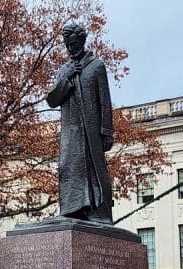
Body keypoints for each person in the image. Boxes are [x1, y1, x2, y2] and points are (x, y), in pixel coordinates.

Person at [46, 23, 115, 225]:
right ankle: (72, 209)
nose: (70, 49)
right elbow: (52, 99)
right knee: (68, 167)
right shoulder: (64, 70)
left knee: (94, 169)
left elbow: (105, 100)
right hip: (71, 131)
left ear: (82, 42)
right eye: (67, 45)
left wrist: (107, 130)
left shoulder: (96, 66)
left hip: (92, 130)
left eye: (74, 44)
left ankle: (97, 212)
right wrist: (66, 78)